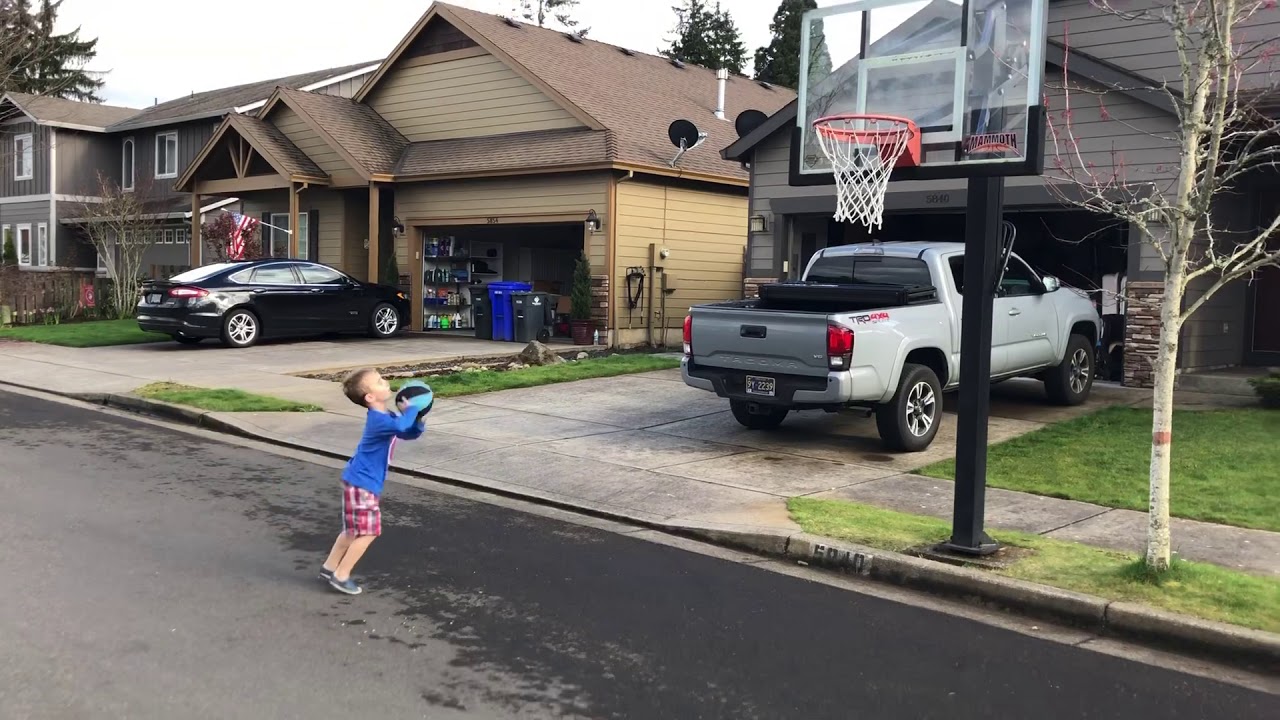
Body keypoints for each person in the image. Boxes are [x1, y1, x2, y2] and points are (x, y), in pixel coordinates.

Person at [320, 367, 426, 595]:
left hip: (358, 479)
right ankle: (341, 575)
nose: (386, 382)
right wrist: (412, 408)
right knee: (369, 532)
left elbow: (407, 432)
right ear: (369, 397)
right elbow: (400, 426)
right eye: (379, 381)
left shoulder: (386, 416)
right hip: (363, 484)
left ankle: (329, 568)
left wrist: (417, 419)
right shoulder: (379, 420)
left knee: (351, 531)